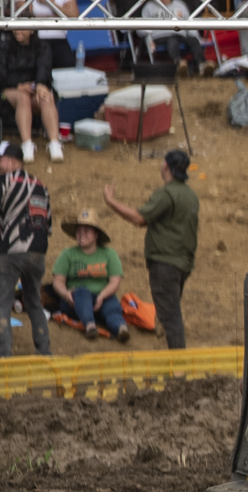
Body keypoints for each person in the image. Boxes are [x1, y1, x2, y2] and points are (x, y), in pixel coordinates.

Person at [102, 149, 199, 349]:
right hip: (183, 264)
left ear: (166, 166)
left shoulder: (166, 194)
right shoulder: (191, 195)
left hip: (165, 263)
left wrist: (111, 201)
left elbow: (139, 218)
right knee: (170, 313)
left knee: (170, 316)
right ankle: (176, 356)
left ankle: (179, 362)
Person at [0, 142, 52, 359]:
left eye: (0, 161)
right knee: (34, 302)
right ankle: (44, 351)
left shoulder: (1, 182)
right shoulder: (41, 185)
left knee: (2, 302)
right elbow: (48, 224)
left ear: (12, 161)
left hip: (11, 250)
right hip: (38, 251)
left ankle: (3, 354)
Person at [51, 209, 129, 343]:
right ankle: (89, 325)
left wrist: (102, 296)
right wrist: (65, 294)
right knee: (82, 291)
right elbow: (58, 280)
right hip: (75, 301)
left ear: (96, 234)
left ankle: (121, 328)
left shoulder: (109, 254)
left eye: (86, 231)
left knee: (111, 304)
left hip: (101, 297)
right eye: (79, 231)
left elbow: (115, 281)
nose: (81, 235)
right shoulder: (67, 254)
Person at [0, 26, 64, 163]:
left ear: (32, 30)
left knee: (46, 97)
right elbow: (0, 75)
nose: (18, 31)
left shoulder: (42, 47)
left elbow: (44, 69)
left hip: (33, 90)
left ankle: (54, 143)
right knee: (23, 98)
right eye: (16, 28)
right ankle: (27, 144)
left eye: (22, 28)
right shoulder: (4, 46)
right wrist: (18, 86)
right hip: (10, 90)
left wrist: (40, 84)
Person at [141, 0, 207, 73]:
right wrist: (149, 41)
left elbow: (189, 25)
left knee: (193, 40)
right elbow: (143, 28)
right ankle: (178, 63)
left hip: (180, 36)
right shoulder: (148, 7)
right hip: (160, 37)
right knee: (172, 41)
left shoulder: (180, 5)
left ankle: (202, 64)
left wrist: (198, 38)